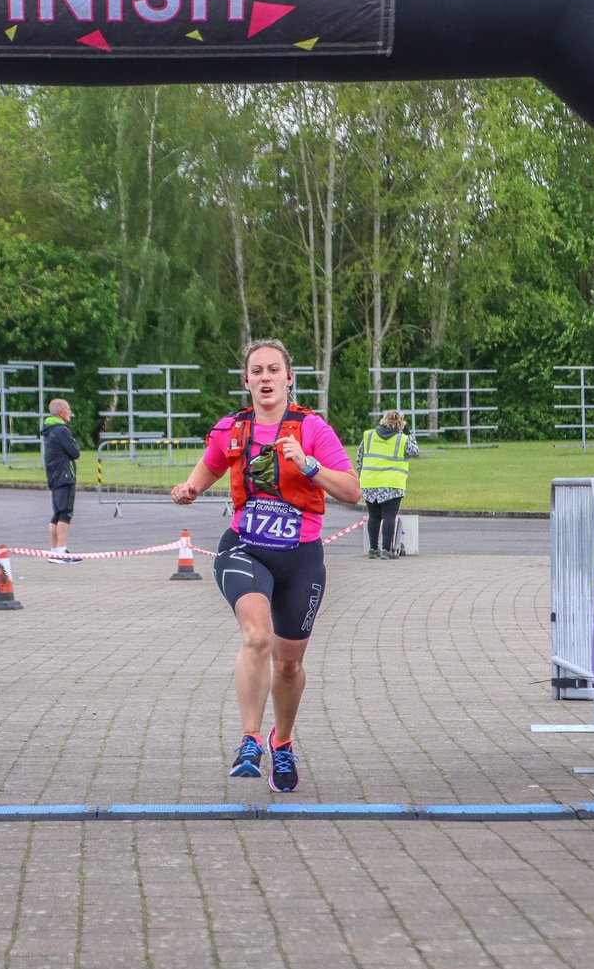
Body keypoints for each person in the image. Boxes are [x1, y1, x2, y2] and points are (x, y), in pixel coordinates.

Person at [171, 339, 360, 792]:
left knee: (289, 664)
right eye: (257, 371)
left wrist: (309, 465)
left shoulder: (312, 428)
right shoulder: (231, 430)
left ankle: (284, 742)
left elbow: (353, 491)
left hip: (301, 557)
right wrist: (188, 491)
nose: (266, 378)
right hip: (245, 548)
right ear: (247, 381)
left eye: (274, 370)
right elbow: (201, 477)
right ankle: (250, 740)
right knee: (257, 635)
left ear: (289, 378)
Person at [357, 409, 419, 559]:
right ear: (401, 423)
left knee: (373, 516)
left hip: (370, 481)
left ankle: (373, 549)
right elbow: (415, 451)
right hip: (392, 484)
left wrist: (362, 475)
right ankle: (386, 550)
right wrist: (409, 434)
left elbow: (360, 457)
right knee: (389, 516)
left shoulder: (369, 435)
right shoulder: (402, 439)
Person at [41, 398, 83, 564]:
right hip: (64, 476)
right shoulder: (61, 430)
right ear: (61, 412)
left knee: (57, 513)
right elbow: (75, 451)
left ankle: (55, 550)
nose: (70, 412)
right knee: (65, 512)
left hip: (55, 475)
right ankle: (61, 551)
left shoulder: (50, 429)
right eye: (68, 409)